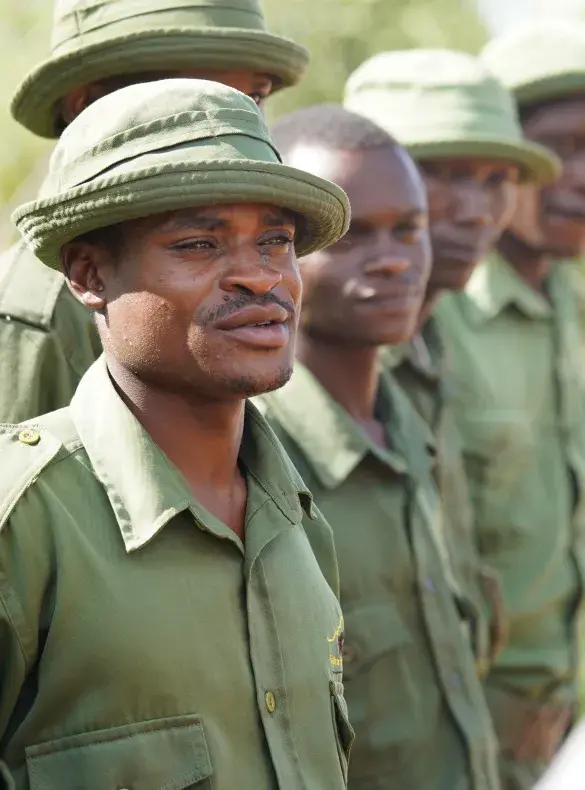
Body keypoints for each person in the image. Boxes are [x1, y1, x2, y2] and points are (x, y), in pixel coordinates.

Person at [0, 79, 352, 789]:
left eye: (276, 242)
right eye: (198, 244)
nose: (259, 278)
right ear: (89, 273)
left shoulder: (295, 523)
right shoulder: (26, 519)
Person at [259, 102, 500, 790]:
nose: (394, 261)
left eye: (409, 230)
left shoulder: (414, 431)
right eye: (351, 238)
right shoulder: (257, 465)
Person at [344, 50, 560, 676]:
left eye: (497, 180)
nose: (476, 209)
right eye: (442, 173)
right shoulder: (313, 366)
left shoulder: (430, 344)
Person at [0, 0, 308, 422]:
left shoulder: (262, 274)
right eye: (180, 90)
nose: (216, 112)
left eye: (251, 96)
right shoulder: (33, 315)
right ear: (82, 103)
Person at [430, 23, 585, 790]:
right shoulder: (422, 318)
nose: (580, 177)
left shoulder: (568, 298)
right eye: (560, 150)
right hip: (456, 733)